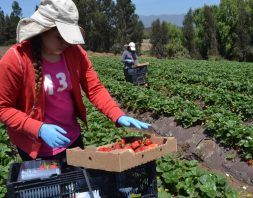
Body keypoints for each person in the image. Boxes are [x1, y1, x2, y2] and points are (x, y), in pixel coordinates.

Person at [0, 0, 150, 161]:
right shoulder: (16, 59)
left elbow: (95, 89)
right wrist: (39, 128)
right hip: (36, 149)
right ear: (43, 31)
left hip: (72, 140)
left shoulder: (74, 53)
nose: (66, 42)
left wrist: (117, 114)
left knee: (77, 185)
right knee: (48, 186)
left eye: (68, 37)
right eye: (59, 37)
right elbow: (3, 108)